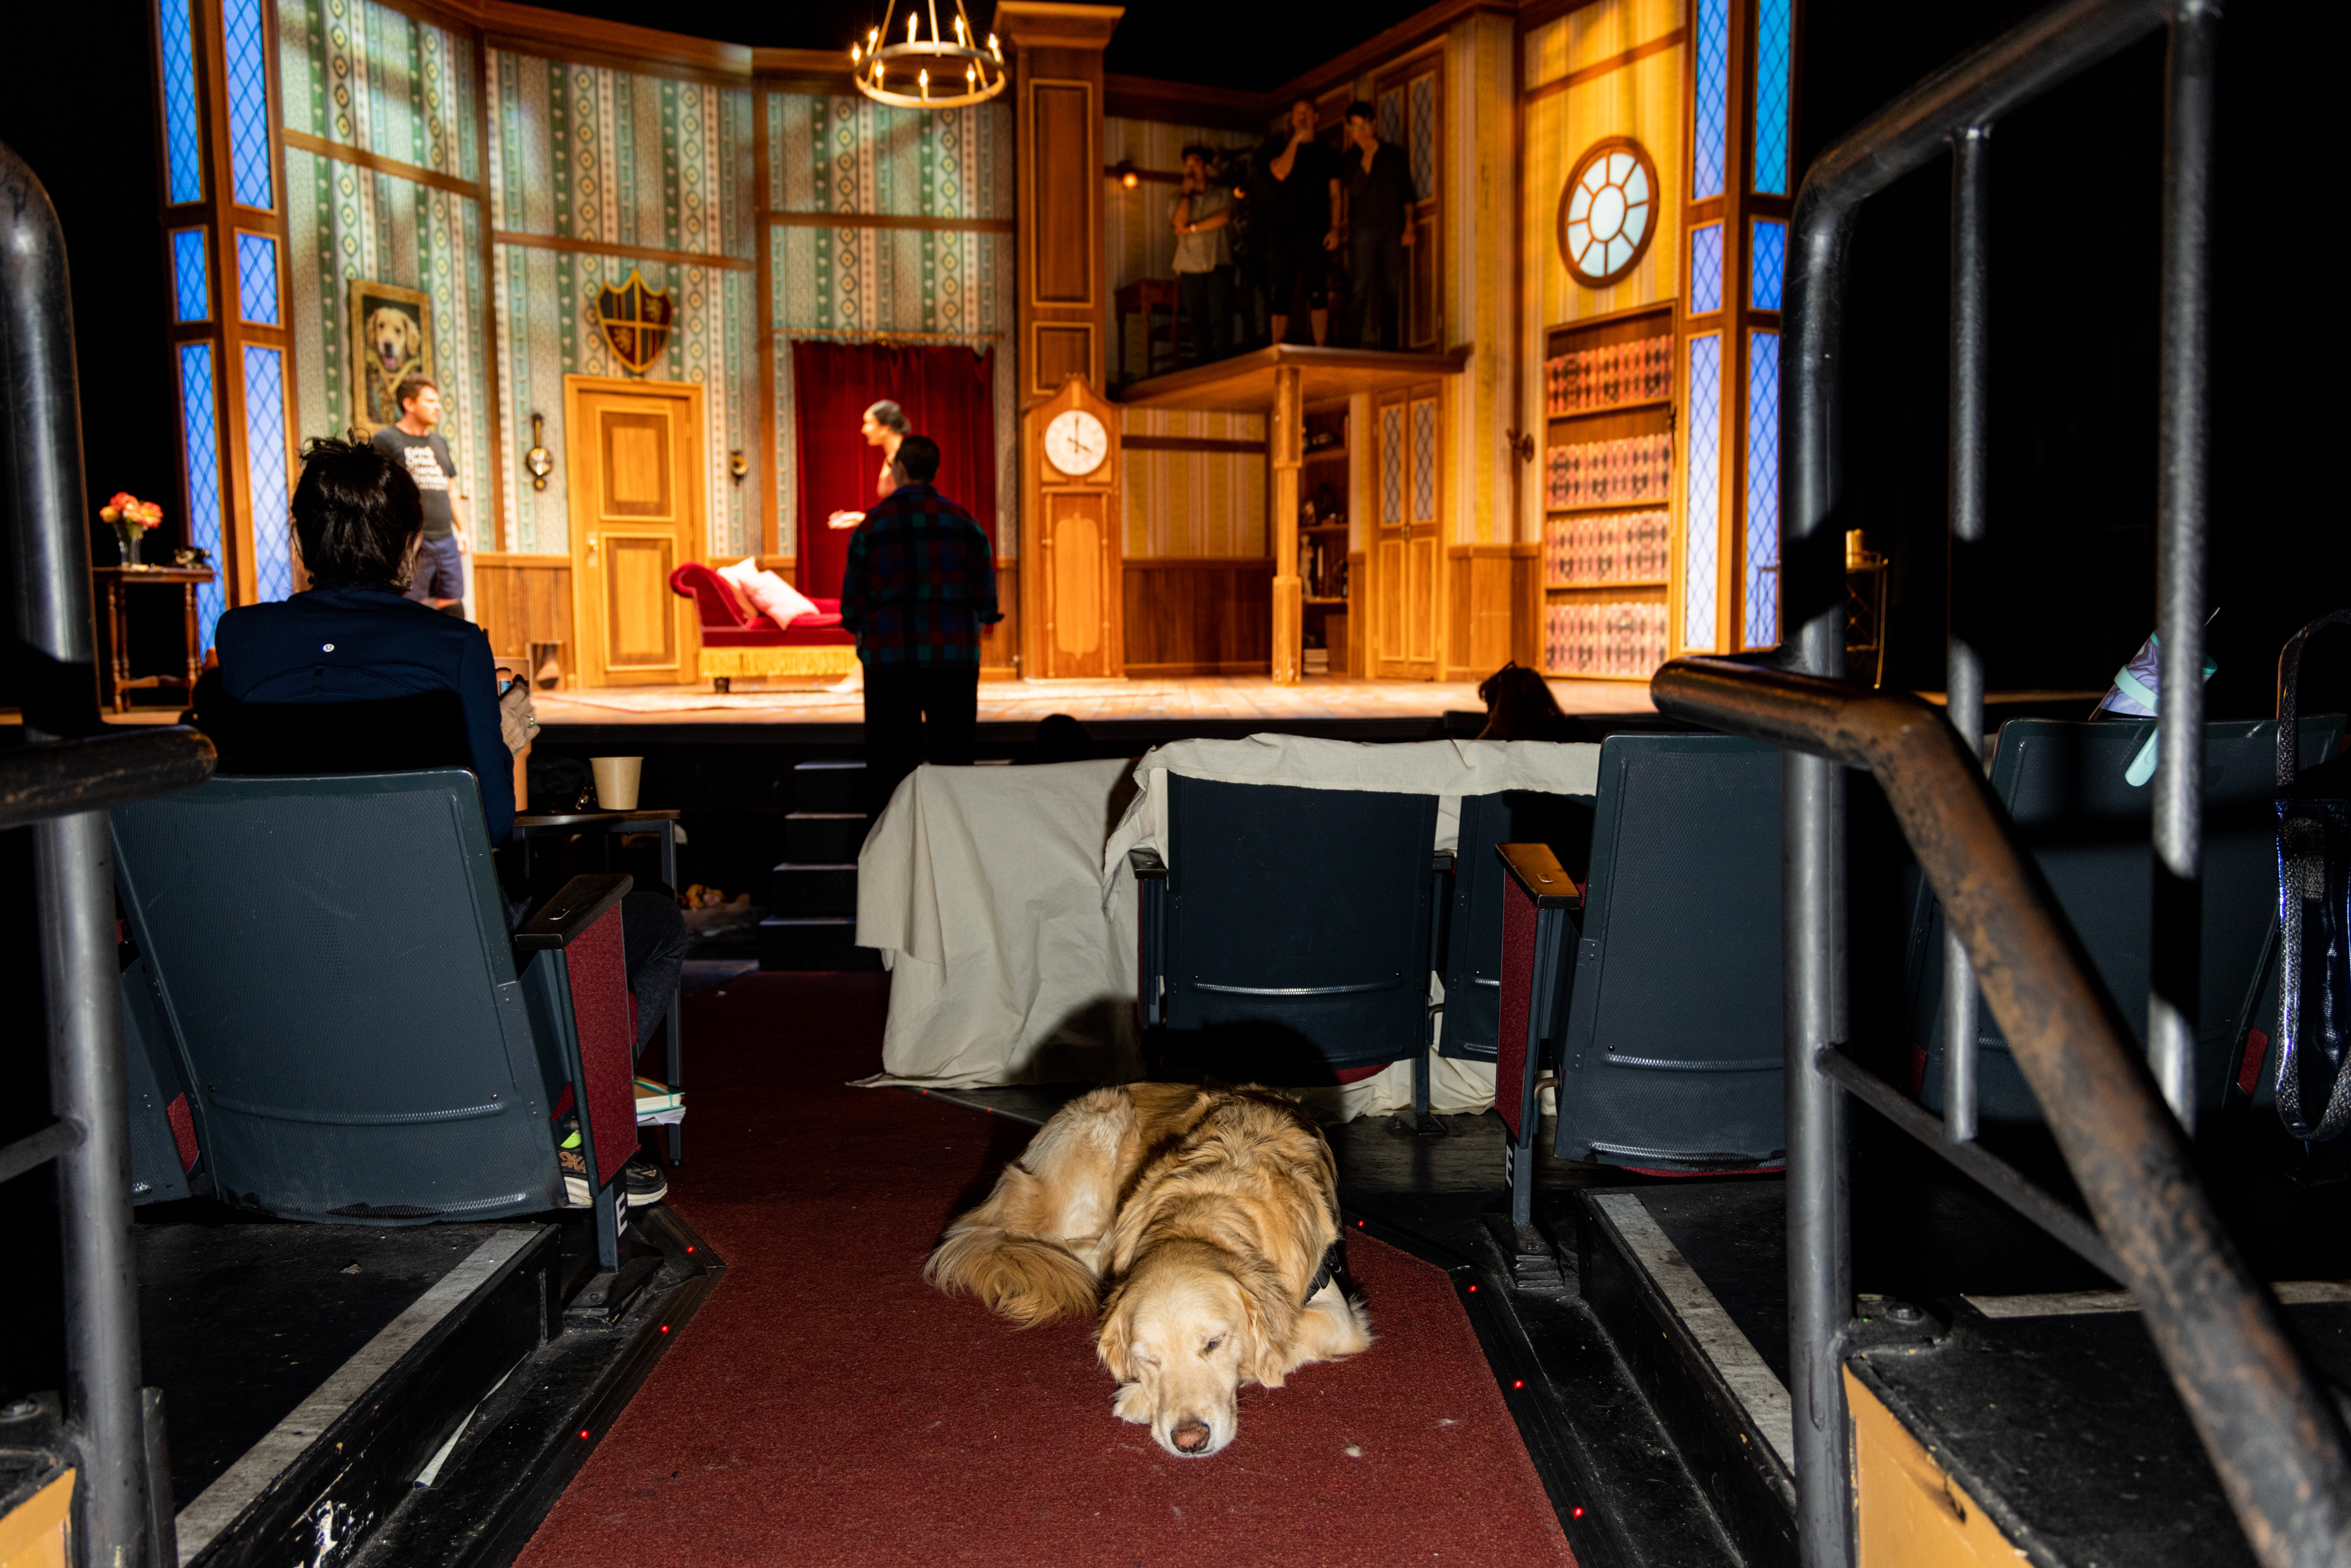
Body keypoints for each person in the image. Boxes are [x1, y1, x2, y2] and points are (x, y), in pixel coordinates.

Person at [210, 438, 680, 1204]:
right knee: (656, 925)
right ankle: (564, 1131)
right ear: (407, 546)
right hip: (438, 951)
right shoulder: (451, 647)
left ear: (297, 540)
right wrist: (496, 739)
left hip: (285, 946)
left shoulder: (243, 639)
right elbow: (491, 824)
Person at [838, 434, 1001, 813]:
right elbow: (986, 602)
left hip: (889, 663)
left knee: (891, 768)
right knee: (955, 761)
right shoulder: (966, 523)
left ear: (899, 469)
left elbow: (852, 607)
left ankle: (892, 855)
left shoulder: (871, 527)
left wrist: (866, 636)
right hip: (954, 660)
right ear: (935, 471)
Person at [369, 375, 468, 611]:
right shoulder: (386, 439)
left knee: (452, 603)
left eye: (438, 401)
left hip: (445, 538)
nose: (438, 406)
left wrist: (463, 531)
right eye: (431, 401)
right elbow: (374, 492)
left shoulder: (439, 442)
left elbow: (451, 489)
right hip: (411, 541)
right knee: (411, 606)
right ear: (410, 404)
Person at [1266, 100, 1342, 347]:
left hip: (1315, 233)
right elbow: (1280, 172)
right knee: (1280, 295)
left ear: (1317, 117)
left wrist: (1335, 228)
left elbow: (1335, 194)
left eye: (1307, 112)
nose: (1302, 117)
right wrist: (1295, 141)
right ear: (1291, 118)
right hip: (1283, 233)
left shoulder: (1328, 153)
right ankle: (1278, 346)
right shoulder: (1278, 147)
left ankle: (1321, 347)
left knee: (1318, 293)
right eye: (1298, 112)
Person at [1340, 101, 1414, 350]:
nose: (1363, 131)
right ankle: (1351, 345)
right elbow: (1356, 187)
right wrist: (1368, 155)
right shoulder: (1349, 160)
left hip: (1393, 228)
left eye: (1366, 124)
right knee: (1359, 287)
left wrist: (1410, 226)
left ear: (1374, 123)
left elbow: (1407, 193)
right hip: (1363, 230)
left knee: (1391, 289)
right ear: (1349, 128)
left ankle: (1389, 346)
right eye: (1357, 126)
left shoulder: (1394, 155)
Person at [1172, 145, 1235, 364]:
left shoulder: (1223, 193)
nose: (1190, 169)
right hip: (1189, 265)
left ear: (1206, 167)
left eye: (1195, 163)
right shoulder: (1177, 198)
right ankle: (1203, 366)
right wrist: (1185, 194)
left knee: (1220, 317)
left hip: (1219, 261)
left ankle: (1224, 364)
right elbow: (1178, 222)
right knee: (1197, 320)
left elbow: (1224, 217)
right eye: (1187, 165)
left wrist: (1193, 229)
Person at [826, 399, 912, 532]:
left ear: (885, 428)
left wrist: (861, 518)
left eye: (868, 423)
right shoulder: (890, 460)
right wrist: (859, 518)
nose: (863, 430)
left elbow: (908, 515)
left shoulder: (906, 460)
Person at [1476, 661, 1591, 742]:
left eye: (1491, 707)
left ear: (1503, 708)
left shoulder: (1512, 746)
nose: (1489, 715)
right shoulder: (1573, 728)